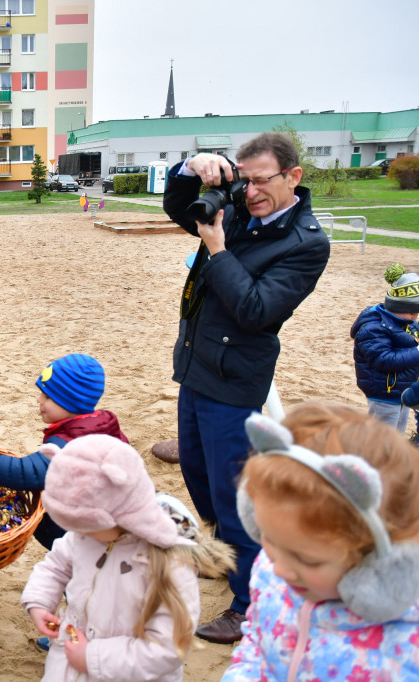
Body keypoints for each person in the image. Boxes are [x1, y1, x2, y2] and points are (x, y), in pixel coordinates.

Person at [162, 131, 331, 643]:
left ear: (293, 177)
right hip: (197, 365)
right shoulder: (238, 207)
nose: (250, 191)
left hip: (235, 379)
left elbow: (256, 311)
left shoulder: (306, 244)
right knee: (196, 472)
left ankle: (248, 603)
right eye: (244, 178)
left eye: (261, 181)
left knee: (235, 494)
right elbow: (179, 207)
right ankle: (227, 556)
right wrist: (193, 168)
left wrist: (216, 248)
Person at [224, 404, 419, 680]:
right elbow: (257, 640)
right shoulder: (271, 571)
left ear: (379, 565)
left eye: (307, 560)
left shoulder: (405, 654)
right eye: (268, 537)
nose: (280, 568)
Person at [22, 434, 234, 681]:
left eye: (85, 525)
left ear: (121, 512)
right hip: (68, 665)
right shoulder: (86, 534)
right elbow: (56, 565)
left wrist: (92, 657)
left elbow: (168, 648)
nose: (77, 532)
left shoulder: (167, 563)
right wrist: (39, 602)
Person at [0, 353, 128, 551]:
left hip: (81, 535)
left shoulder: (69, 446)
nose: (38, 400)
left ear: (71, 402)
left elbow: (24, 472)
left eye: (47, 396)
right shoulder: (101, 427)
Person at [350, 264, 419, 432]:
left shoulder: (406, 323)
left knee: (397, 431)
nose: (415, 317)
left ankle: (391, 456)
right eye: (412, 313)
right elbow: (383, 360)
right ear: (399, 308)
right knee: (381, 435)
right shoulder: (373, 328)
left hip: (403, 388)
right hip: (384, 392)